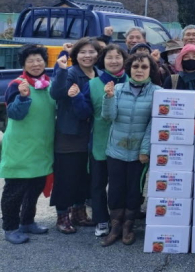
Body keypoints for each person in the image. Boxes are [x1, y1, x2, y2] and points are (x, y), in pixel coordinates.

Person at [100, 53, 161, 247]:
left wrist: (145, 150)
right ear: (129, 69)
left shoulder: (157, 92)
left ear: (150, 70)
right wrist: (108, 97)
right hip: (116, 150)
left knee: (134, 190)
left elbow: (154, 124)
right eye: (135, 66)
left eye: (144, 67)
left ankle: (128, 227)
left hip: (139, 153)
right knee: (116, 189)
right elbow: (109, 117)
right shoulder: (117, 89)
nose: (139, 70)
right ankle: (115, 227)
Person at [69, 44, 129, 237]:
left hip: (126, 144)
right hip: (100, 143)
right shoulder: (93, 84)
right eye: (109, 57)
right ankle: (101, 219)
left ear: (124, 60)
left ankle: (120, 220)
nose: (114, 61)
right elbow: (84, 113)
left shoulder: (132, 82)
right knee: (97, 184)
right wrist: (77, 97)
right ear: (102, 61)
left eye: (118, 57)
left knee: (122, 185)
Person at [0, 45, 55, 244]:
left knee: (35, 187)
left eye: (39, 59)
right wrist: (23, 97)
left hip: (41, 147)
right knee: (14, 191)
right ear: (23, 64)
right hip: (21, 148)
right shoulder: (17, 84)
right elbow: (15, 114)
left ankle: (27, 221)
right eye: (30, 60)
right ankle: (10, 227)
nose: (35, 64)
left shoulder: (49, 84)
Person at [49, 38, 101, 234]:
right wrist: (60, 69)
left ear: (97, 54)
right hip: (69, 134)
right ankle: (62, 215)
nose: (87, 56)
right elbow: (55, 93)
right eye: (83, 52)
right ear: (75, 55)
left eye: (91, 52)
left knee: (83, 175)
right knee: (66, 176)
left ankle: (79, 213)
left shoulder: (99, 74)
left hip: (90, 134)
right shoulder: (70, 72)